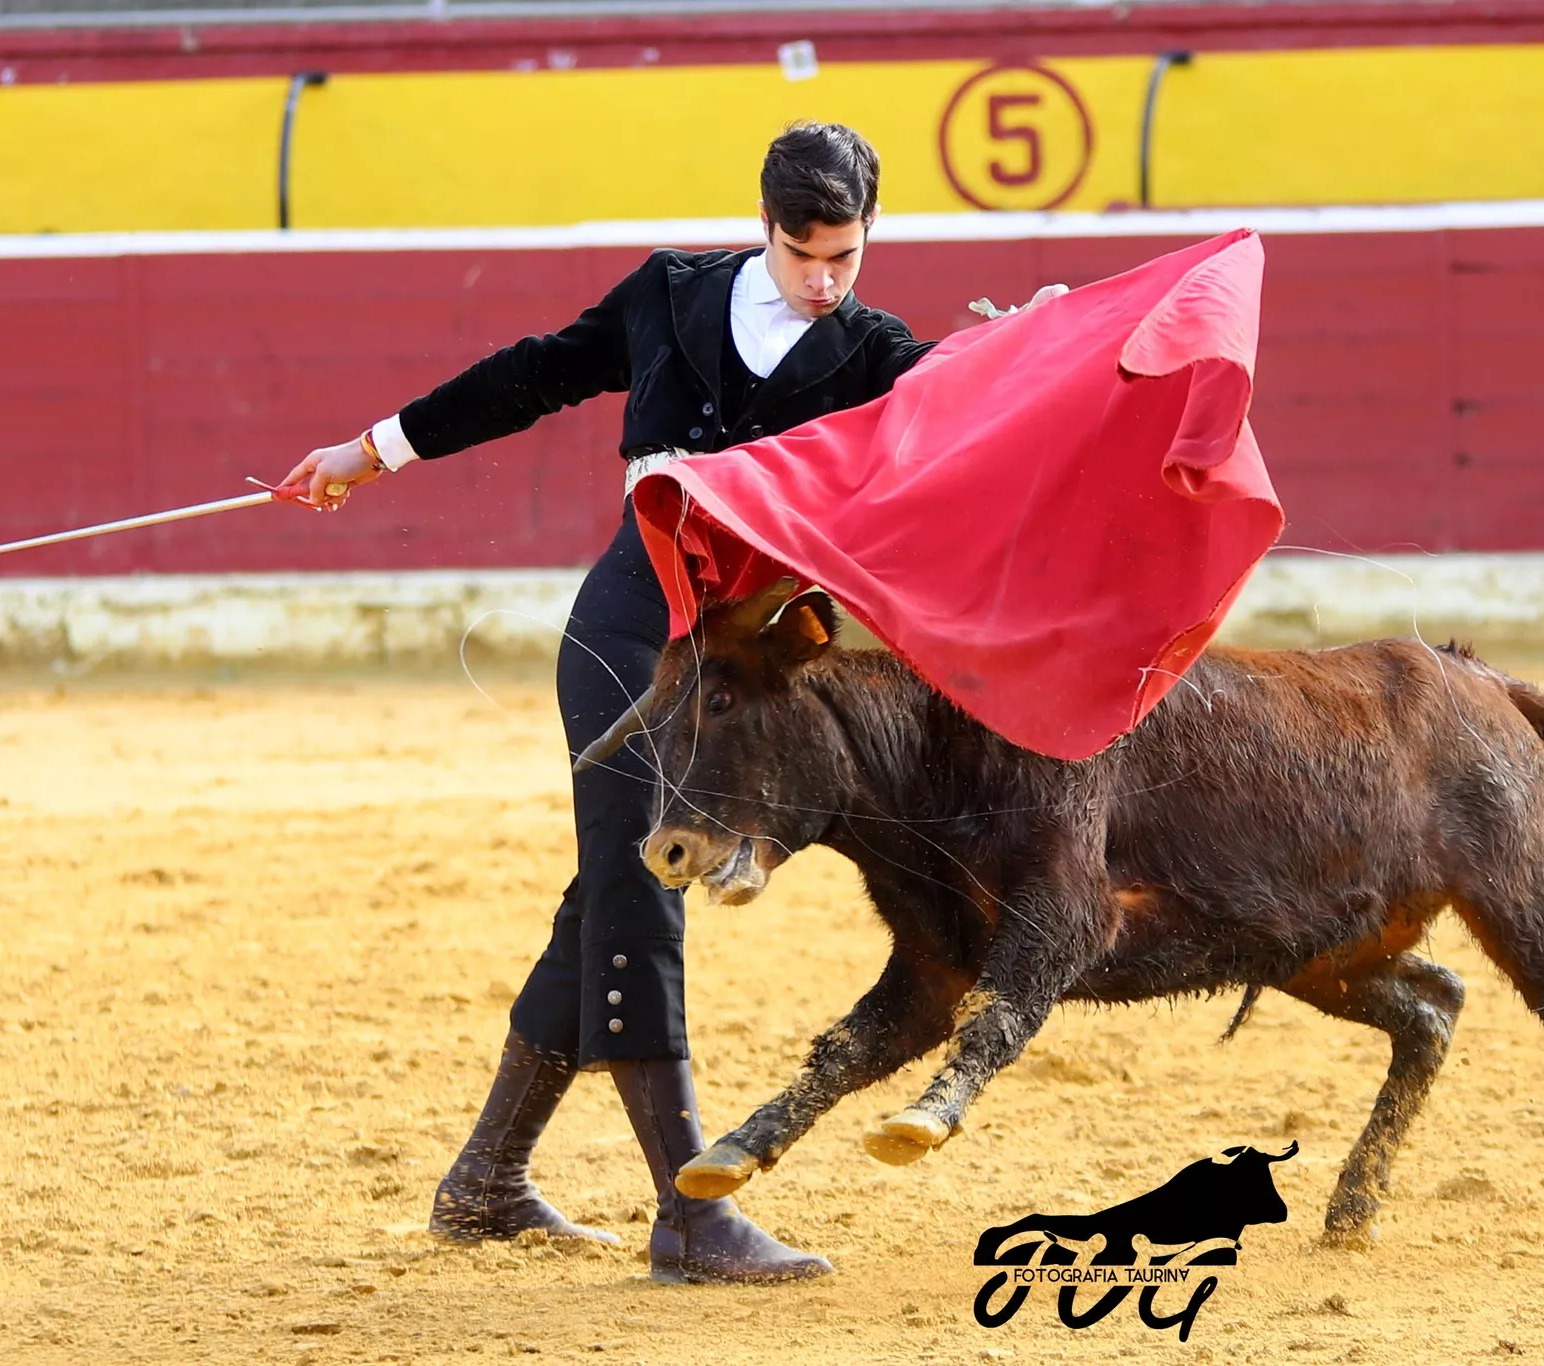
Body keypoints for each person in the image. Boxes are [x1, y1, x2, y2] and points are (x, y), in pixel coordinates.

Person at [282, 122, 1057, 1285]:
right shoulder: (668, 294)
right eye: (805, 254)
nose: (824, 278)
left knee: (612, 886)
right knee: (650, 883)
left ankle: (485, 1182)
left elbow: (955, 405)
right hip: (626, 637)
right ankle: (686, 1215)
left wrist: (1019, 350)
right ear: (766, 228)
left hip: (737, 675)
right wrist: (372, 449)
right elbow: (535, 371)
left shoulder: (869, 349)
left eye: (845, 255)